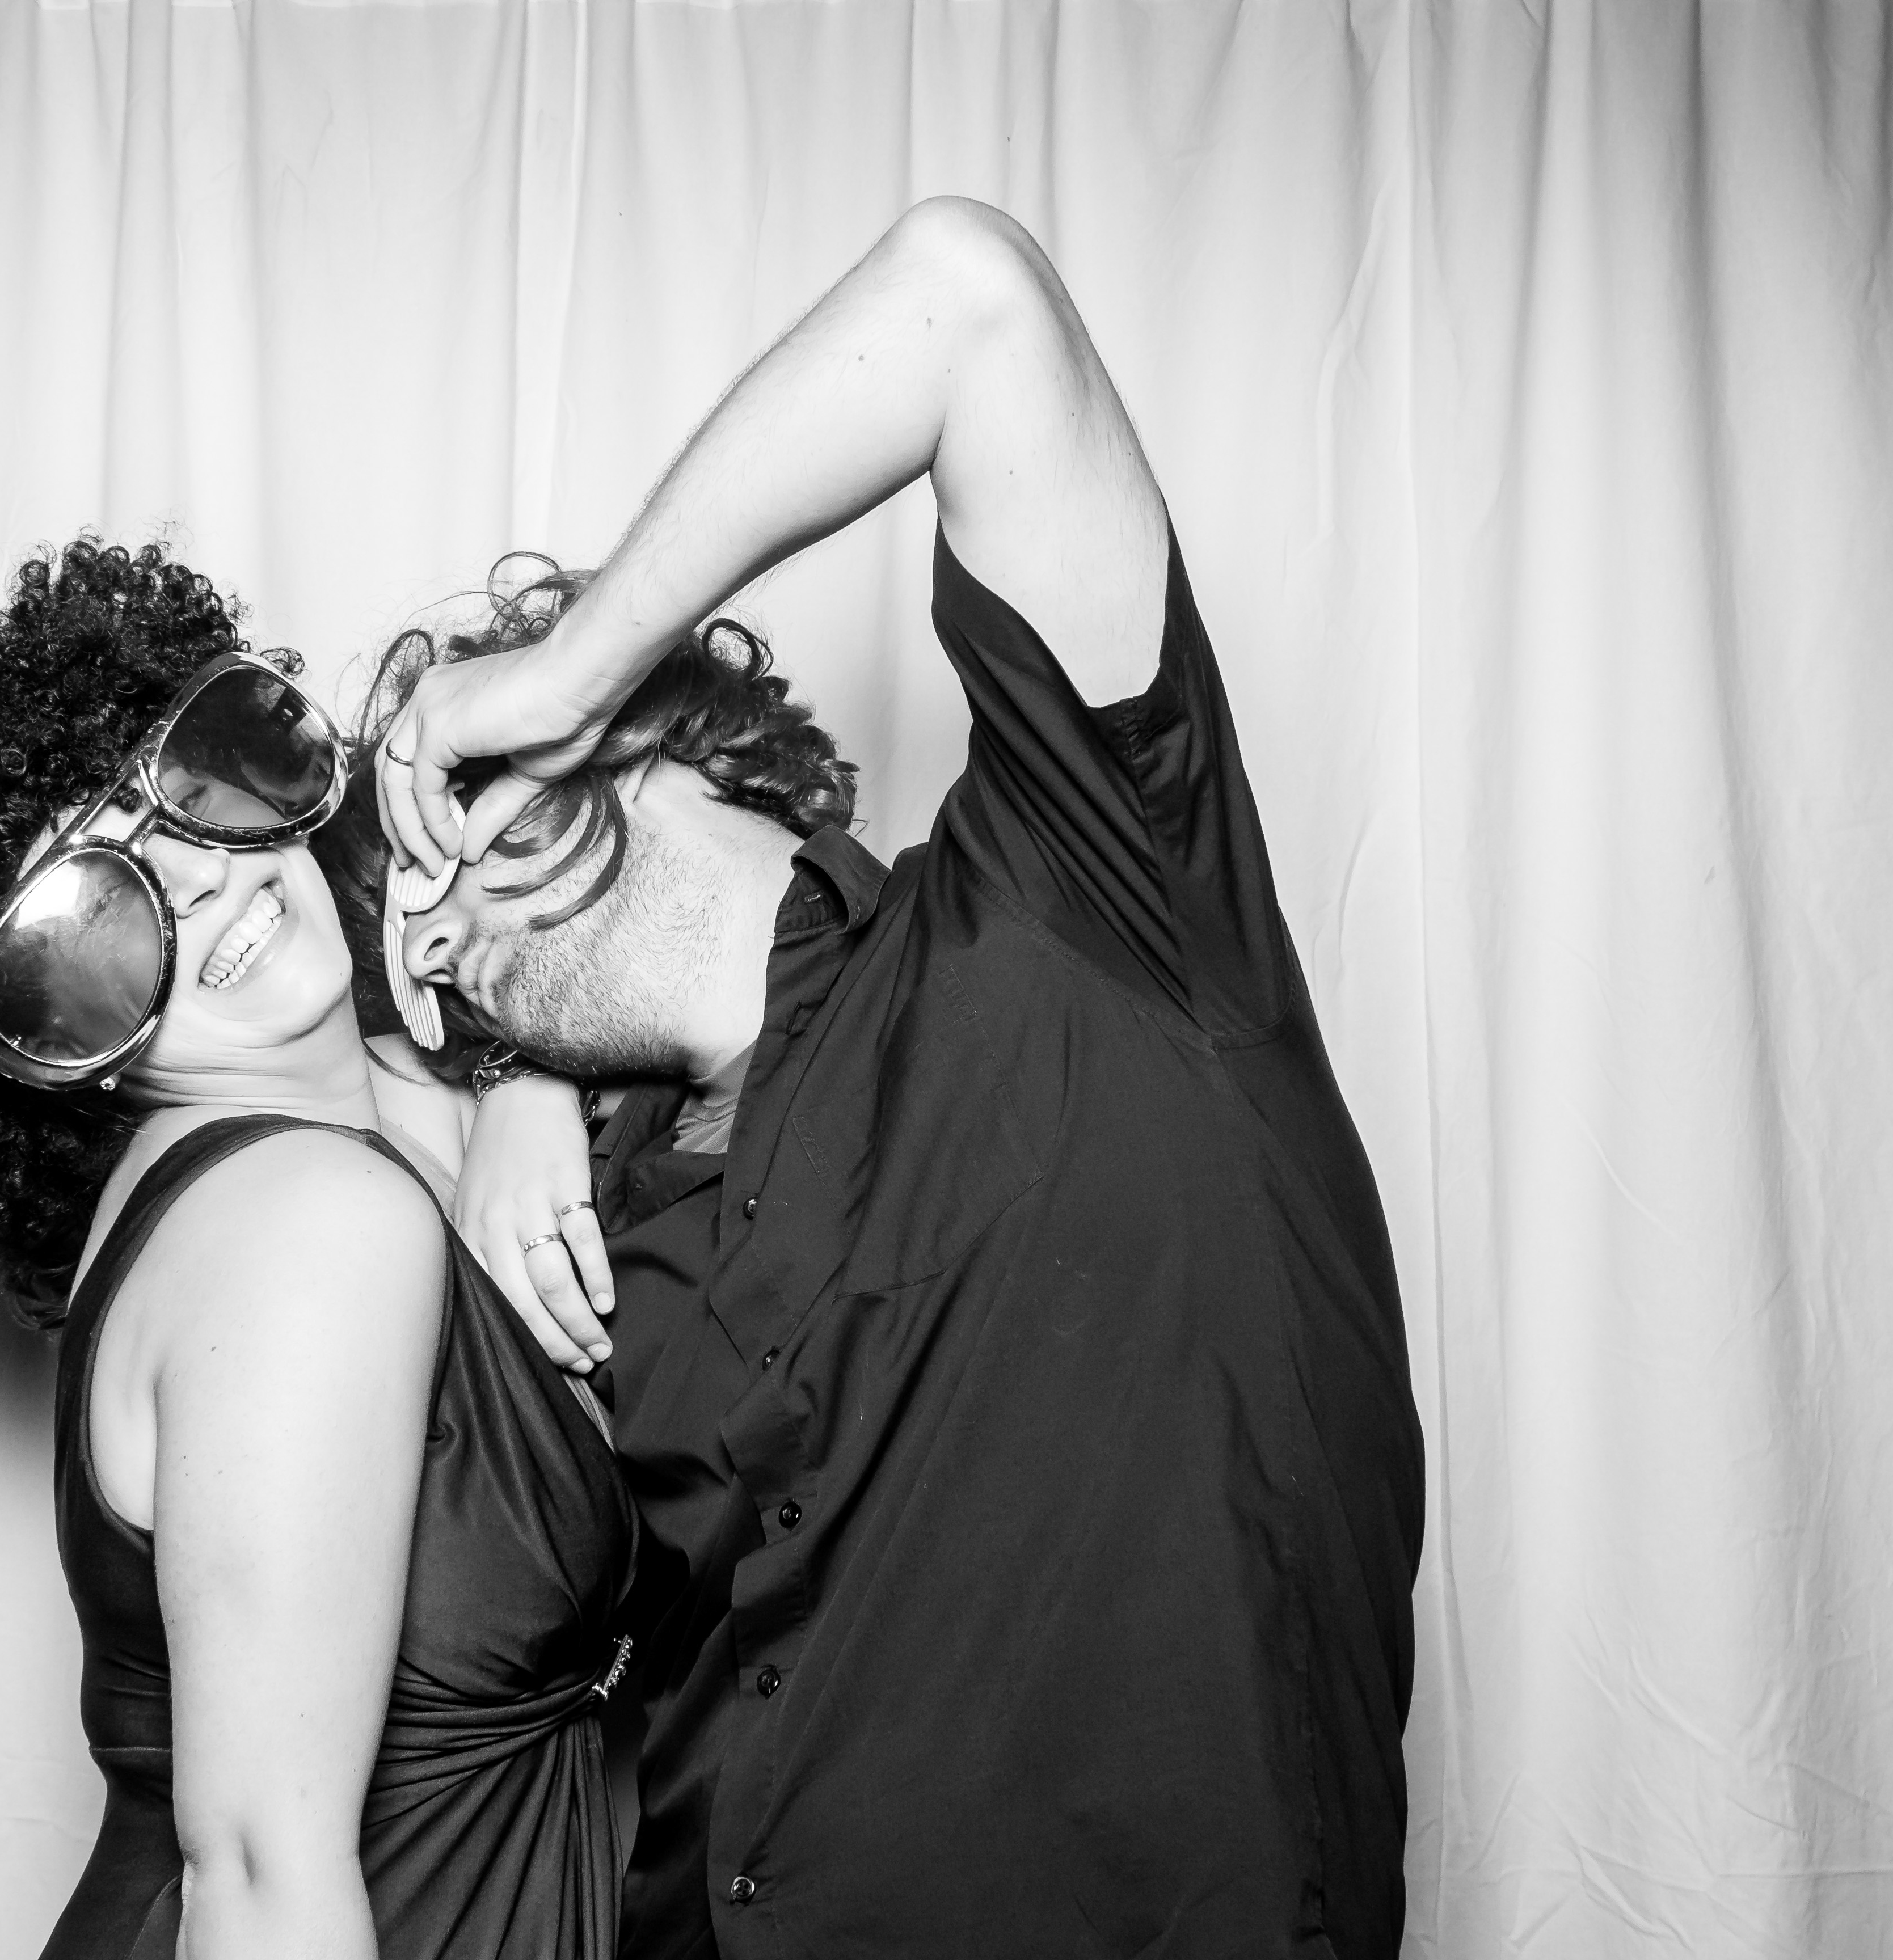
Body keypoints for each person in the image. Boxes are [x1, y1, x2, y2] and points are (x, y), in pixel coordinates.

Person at [374, 198, 1427, 1955]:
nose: (420, 928)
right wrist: (503, 1084)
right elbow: (243, 1074)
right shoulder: (580, 1225)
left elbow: (967, 298)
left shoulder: (1087, 909)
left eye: (442, 823)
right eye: (398, 912)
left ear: (638, 739)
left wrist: (561, 664)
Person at [0, 524, 635, 1960]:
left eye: (188, 798)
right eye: (92, 912)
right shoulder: (304, 1224)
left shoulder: (387, 1116)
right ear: (50, 1048)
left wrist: (536, 1072)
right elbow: (263, 1874)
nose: (196, 884)